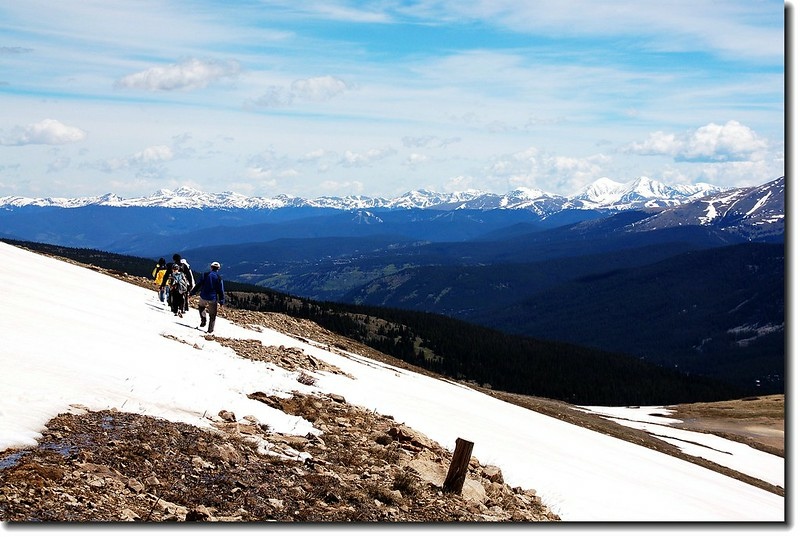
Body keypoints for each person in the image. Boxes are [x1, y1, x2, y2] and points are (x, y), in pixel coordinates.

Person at [190, 261, 225, 334]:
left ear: (211, 267)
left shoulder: (205, 275)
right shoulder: (219, 278)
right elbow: (221, 290)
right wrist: (221, 301)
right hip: (212, 298)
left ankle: (203, 319)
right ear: (218, 269)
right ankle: (210, 330)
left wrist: (192, 293)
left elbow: (198, 285)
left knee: (201, 307)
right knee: (213, 315)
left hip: (203, 295)